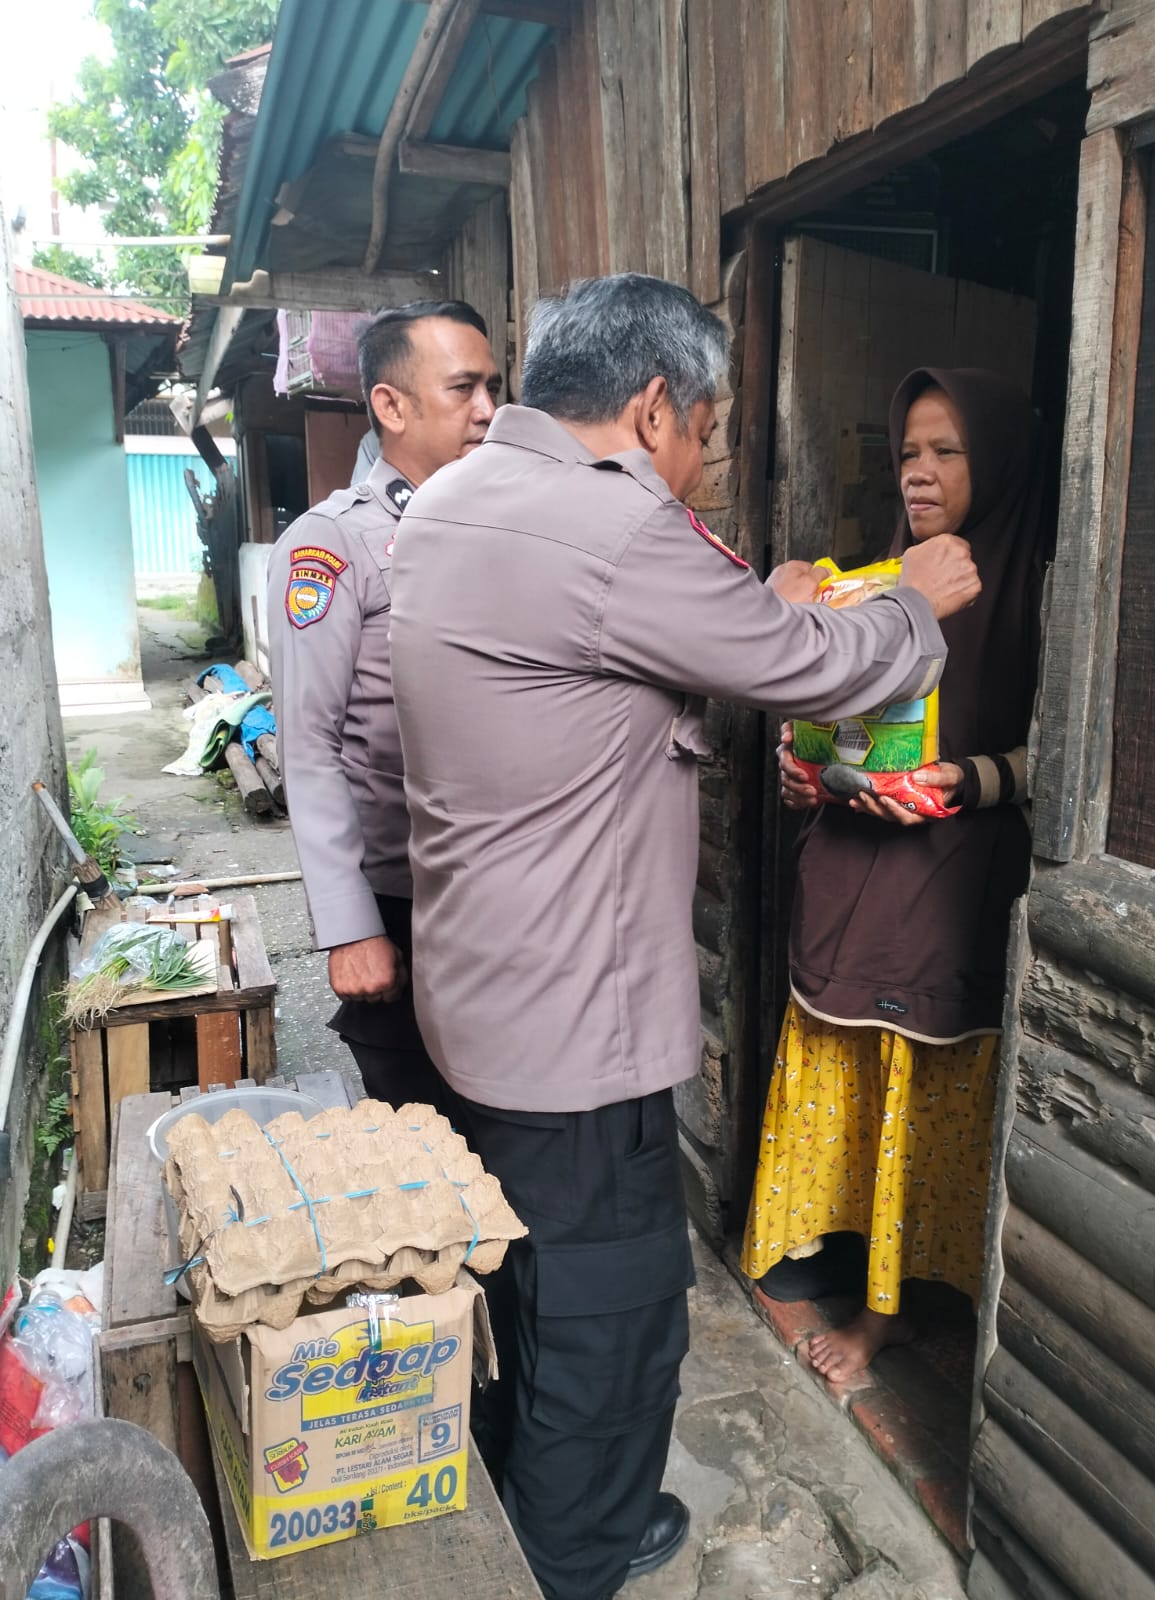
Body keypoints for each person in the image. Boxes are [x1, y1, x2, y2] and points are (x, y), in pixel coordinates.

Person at [389, 276, 981, 1600]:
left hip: (481, 992)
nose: (702, 469)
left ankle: (541, 1499)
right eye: (705, 433)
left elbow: (593, 687)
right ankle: (579, 1550)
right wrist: (913, 603)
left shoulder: (452, 501)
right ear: (653, 407)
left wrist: (756, 606)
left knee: (526, 1274)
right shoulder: (614, 527)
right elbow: (822, 671)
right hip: (575, 1026)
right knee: (612, 1300)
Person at [741, 367, 1047, 1385]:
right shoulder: (868, 583)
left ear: (992, 462)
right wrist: (804, 771)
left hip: (948, 884)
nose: (919, 473)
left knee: (916, 1103)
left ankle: (890, 1314)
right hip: (848, 872)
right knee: (848, 1073)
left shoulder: (1039, 591)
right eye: (908, 452)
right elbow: (818, 722)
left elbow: (1065, 759)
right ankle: (830, 1257)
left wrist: (966, 779)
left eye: (945, 452)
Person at [266, 301, 502, 1107]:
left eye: (494, 387)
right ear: (391, 406)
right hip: (400, 900)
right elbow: (309, 744)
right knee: (427, 1151)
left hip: (499, 893)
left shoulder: (507, 529)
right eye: (465, 388)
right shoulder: (332, 546)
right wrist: (350, 925)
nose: (488, 411)